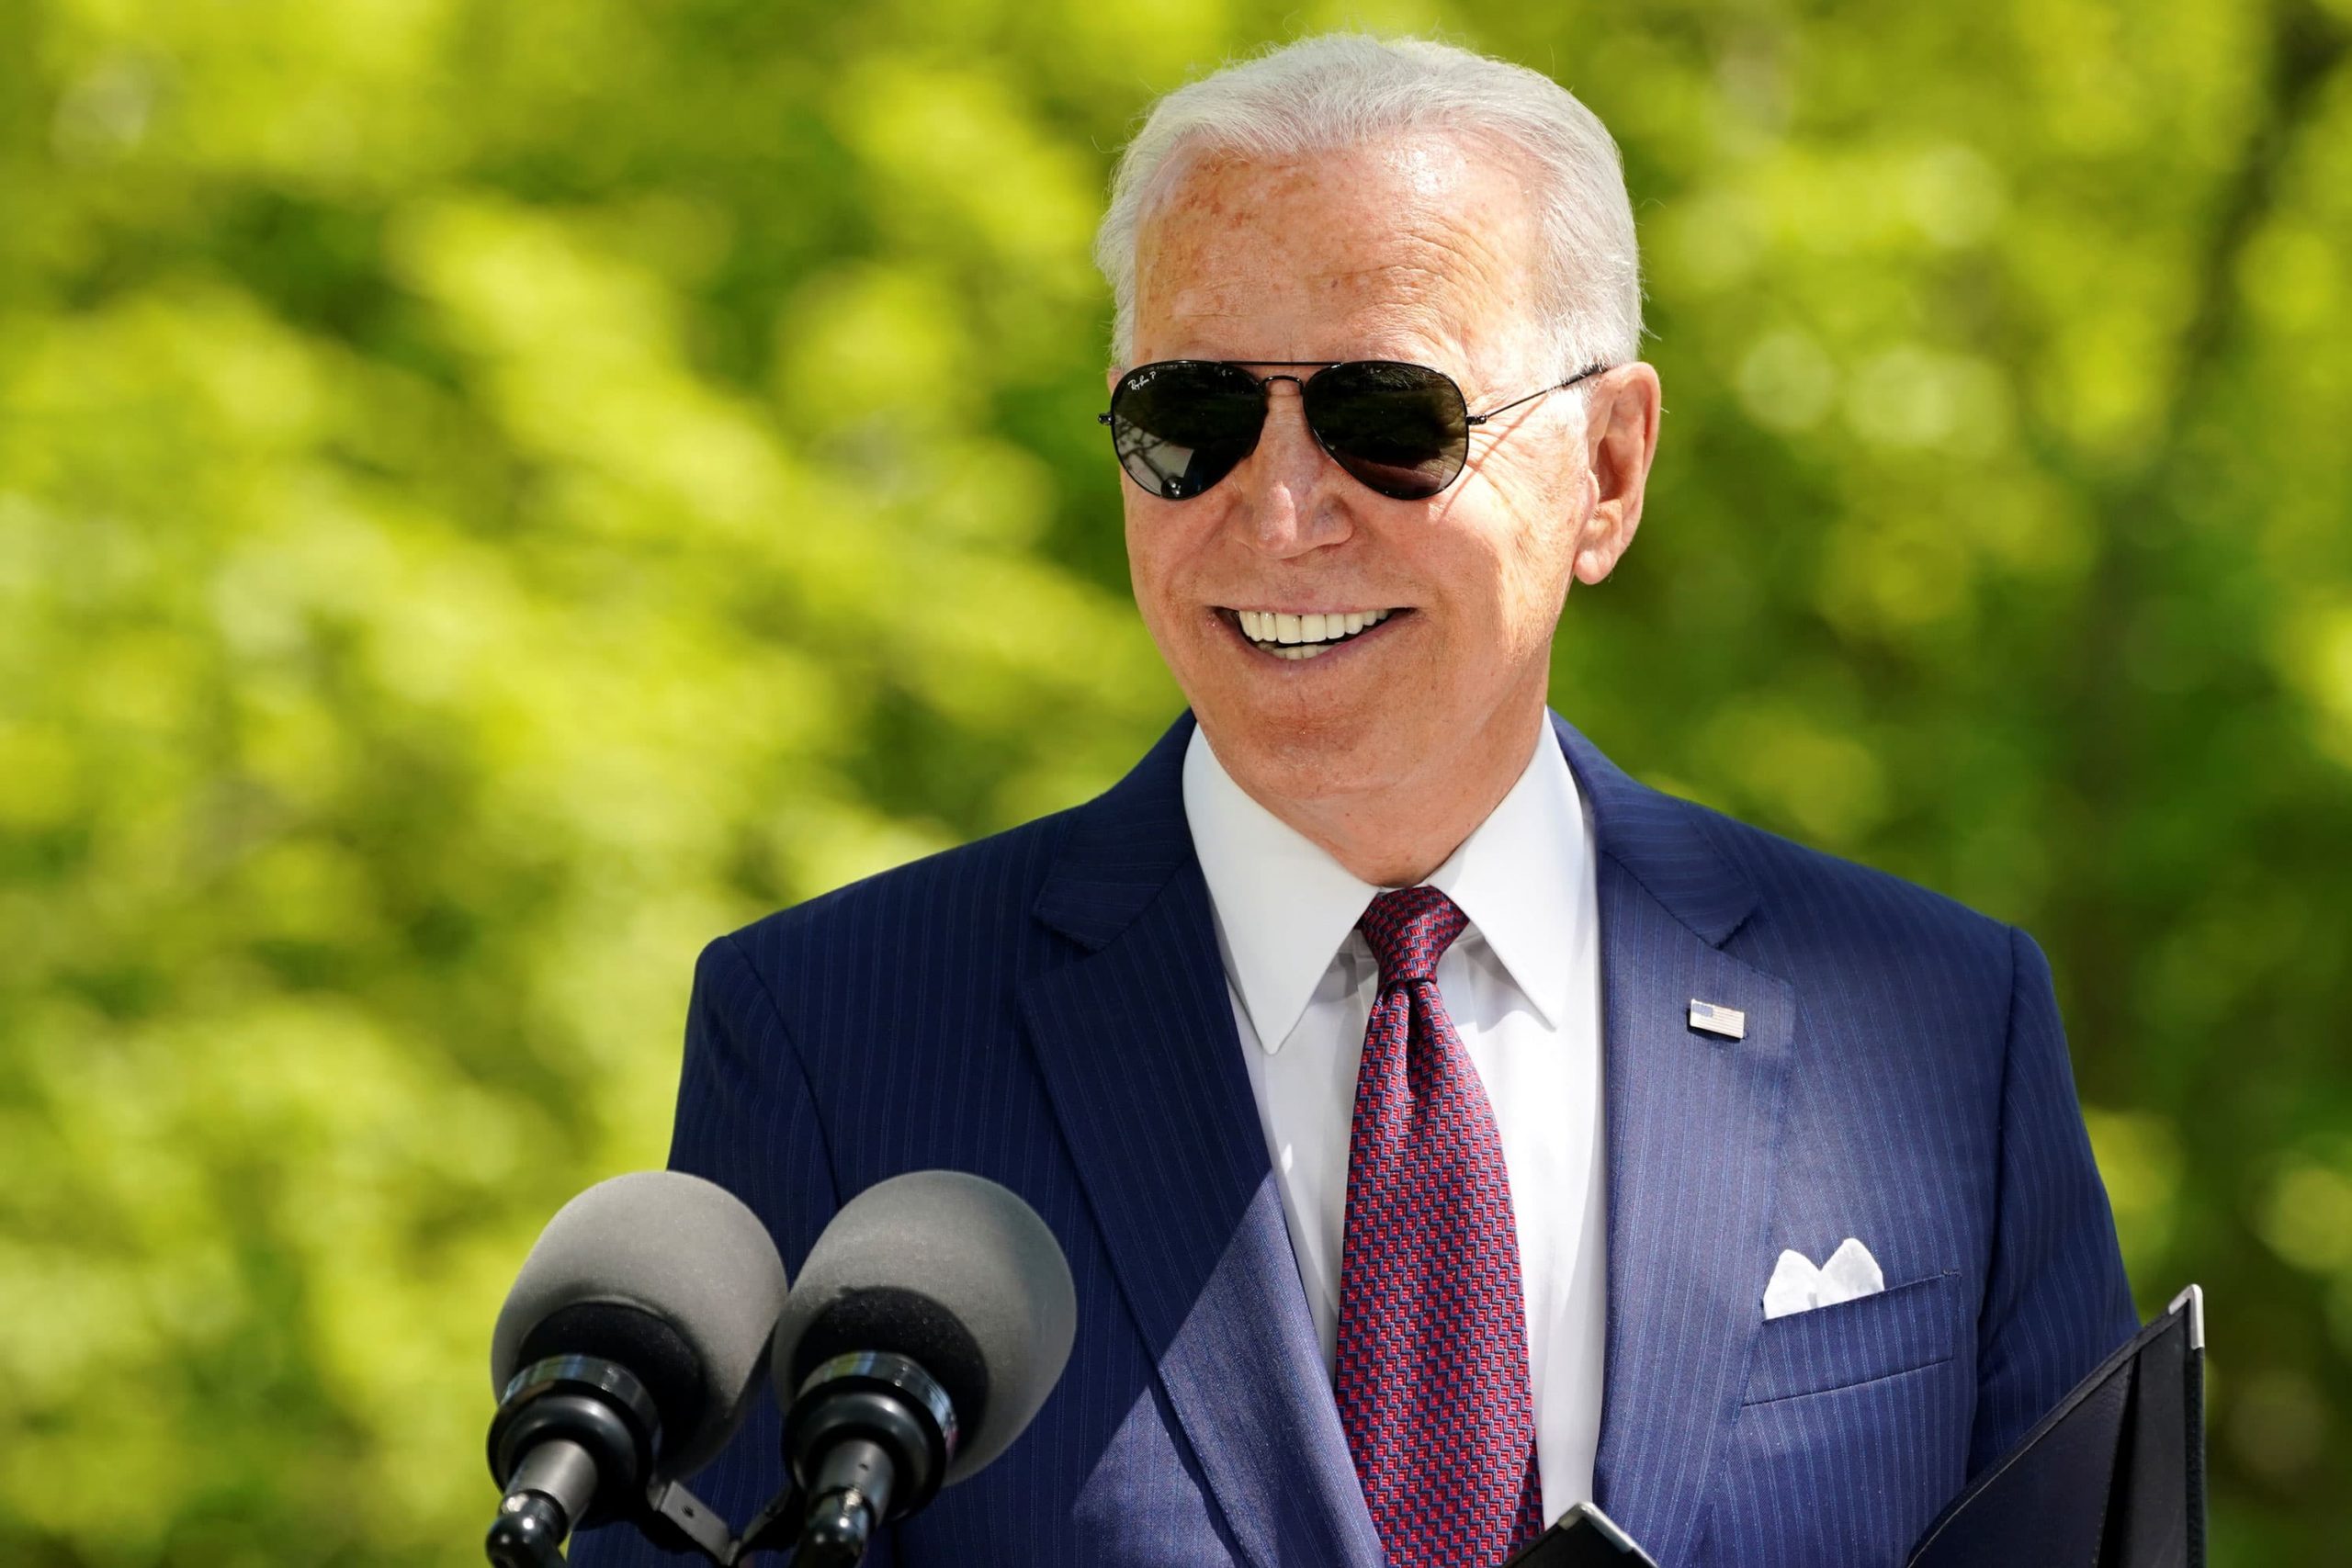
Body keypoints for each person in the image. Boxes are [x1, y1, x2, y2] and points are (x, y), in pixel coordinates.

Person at [574, 33, 2136, 1568]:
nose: (1278, 510)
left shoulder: (1940, 1031)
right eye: (1192, 418)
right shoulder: (835, 1039)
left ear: (1608, 469)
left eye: (1391, 419)